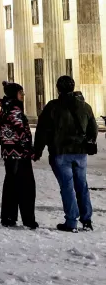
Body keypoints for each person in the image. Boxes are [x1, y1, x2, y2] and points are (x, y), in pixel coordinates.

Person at [33, 75, 98, 232]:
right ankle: (87, 220)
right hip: (80, 153)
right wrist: (87, 142)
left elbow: (42, 131)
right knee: (82, 186)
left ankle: (71, 222)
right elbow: (93, 129)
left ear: (57, 88)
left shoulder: (52, 107)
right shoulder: (85, 107)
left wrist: (38, 150)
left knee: (67, 187)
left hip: (60, 152)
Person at [0, 82, 38, 229]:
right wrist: (30, 149)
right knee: (26, 187)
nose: (23, 96)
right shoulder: (15, 110)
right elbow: (22, 132)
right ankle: (28, 219)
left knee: (11, 185)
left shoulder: (6, 108)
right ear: (15, 94)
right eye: (21, 93)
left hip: (8, 153)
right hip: (19, 154)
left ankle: (8, 216)